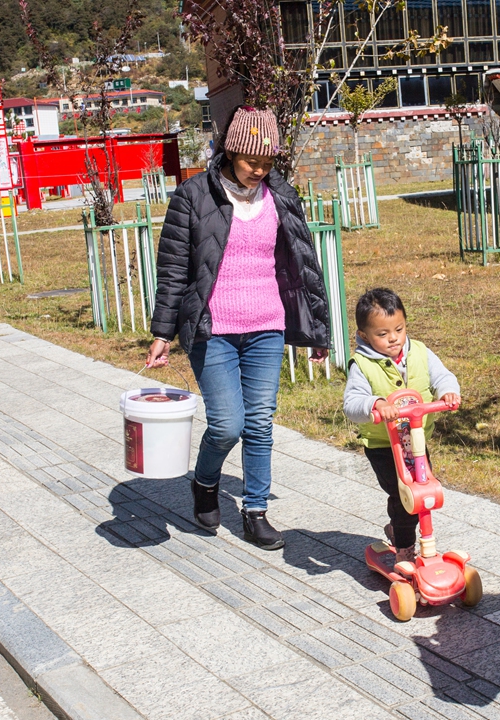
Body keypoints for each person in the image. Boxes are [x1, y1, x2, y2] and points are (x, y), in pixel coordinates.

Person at [146, 106, 331, 551]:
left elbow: (304, 265)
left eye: (268, 164)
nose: (260, 171)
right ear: (230, 152)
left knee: (261, 422)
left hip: (266, 325)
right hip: (213, 329)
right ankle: (206, 482)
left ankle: (255, 510)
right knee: (228, 424)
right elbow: (173, 269)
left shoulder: (280, 195)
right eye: (252, 162)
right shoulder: (193, 196)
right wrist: (162, 333)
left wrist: (317, 331)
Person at [342, 288, 461, 564]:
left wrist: (448, 392)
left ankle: (400, 532)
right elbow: (352, 403)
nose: (393, 338)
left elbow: (442, 375)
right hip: (384, 445)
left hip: (416, 442)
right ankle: (405, 549)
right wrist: (376, 404)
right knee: (403, 496)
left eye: (399, 329)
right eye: (382, 334)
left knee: (424, 493)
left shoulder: (419, 351)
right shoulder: (361, 365)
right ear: (363, 336)